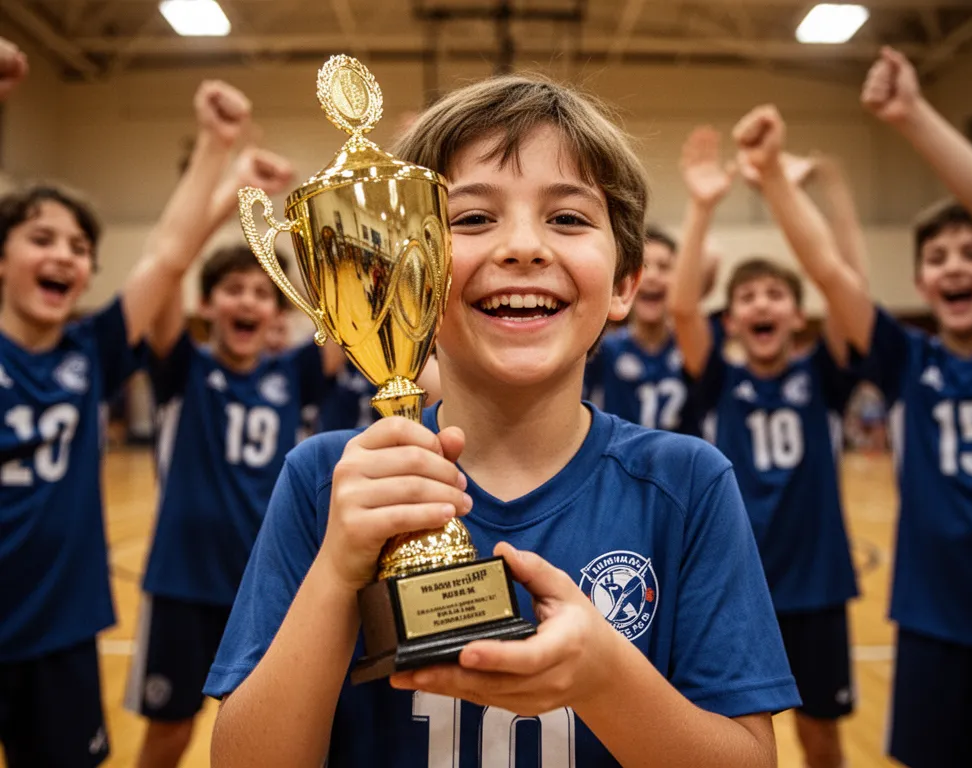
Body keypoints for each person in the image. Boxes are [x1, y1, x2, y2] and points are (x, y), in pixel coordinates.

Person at [203, 75, 800, 767]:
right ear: (405, 264)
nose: (523, 246)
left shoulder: (688, 484)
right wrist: (339, 572)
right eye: (472, 219)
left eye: (569, 219)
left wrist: (605, 679)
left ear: (626, 283)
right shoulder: (328, 481)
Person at [0, 37, 251, 766]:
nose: (66, 255)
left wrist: (216, 142)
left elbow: (169, 256)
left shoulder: (91, 353)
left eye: (81, 246)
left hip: (62, 630)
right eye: (41, 238)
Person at [669, 123, 865, 768]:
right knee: (728, 733)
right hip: (736, 581)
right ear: (733, 322)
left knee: (820, 734)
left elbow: (843, 281)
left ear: (796, 316)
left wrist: (832, 188)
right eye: (748, 296)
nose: (762, 304)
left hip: (816, 585)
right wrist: (702, 206)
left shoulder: (821, 377)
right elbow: (683, 312)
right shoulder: (721, 380)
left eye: (776, 295)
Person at [126, 204, 348, 766]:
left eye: (261, 291)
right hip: (183, 579)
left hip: (267, 579)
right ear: (207, 306)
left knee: (273, 729)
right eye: (232, 289)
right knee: (171, 733)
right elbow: (166, 274)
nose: (248, 300)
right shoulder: (185, 371)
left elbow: (338, 321)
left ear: (279, 311)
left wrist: (308, 236)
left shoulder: (291, 375)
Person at [857, 48, 972, 767]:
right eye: (938, 257)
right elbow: (835, 280)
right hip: (932, 617)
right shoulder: (908, 360)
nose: (955, 265)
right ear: (921, 281)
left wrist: (913, 117)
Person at [584, 227, 718, 435]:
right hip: (624, 463)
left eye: (664, 267)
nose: (653, 275)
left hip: (681, 463)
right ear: (625, 282)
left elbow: (712, 259)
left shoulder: (692, 346)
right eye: (643, 266)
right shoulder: (605, 349)